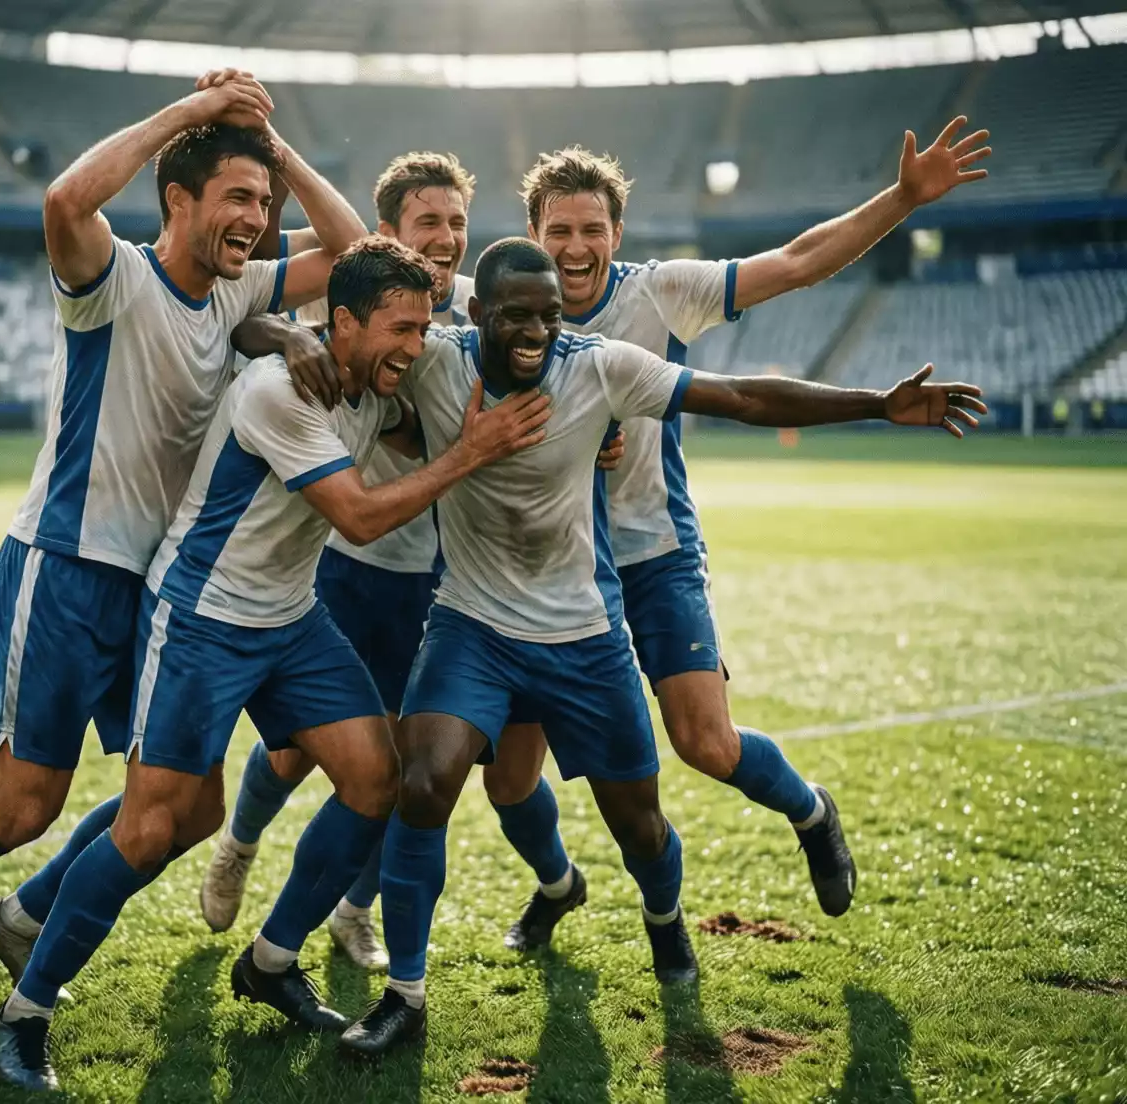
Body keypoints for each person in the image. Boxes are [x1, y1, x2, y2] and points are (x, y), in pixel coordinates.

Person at [336, 237, 986, 1057]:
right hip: (472, 624)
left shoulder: (601, 364)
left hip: (583, 635)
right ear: (476, 315)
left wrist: (874, 404)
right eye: (516, 316)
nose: (537, 330)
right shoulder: (434, 363)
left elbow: (741, 396)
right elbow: (338, 346)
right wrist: (288, 341)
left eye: (550, 313)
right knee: (423, 783)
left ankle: (664, 917)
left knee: (640, 827)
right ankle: (407, 996)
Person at [0, 69, 367, 1035]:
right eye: (236, 197)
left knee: (190, 808)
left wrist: (271, 144)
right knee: (21, 807)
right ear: (179, 199)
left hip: (161, 590)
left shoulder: (244, 286)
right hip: (65, 568)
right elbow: (64, 200)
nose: (255, 216)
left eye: (263, 200)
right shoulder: (112, 278)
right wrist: (195, 112)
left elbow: (355, 255)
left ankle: (24, 916)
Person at [0, 236, 553, 1089]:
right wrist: (467, 452)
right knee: (152, 828)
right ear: (343, 320)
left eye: (424, 326)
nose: (414, 345)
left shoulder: (377, 378)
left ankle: (274, 959)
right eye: (398, 328)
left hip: (291, 620)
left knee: (376, 779)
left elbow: (478, 367)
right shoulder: (280, 390)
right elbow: (358, 519)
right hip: (203, 622)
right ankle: (24, 1013)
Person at [475, 118, 993, 929]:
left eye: (591, 230)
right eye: (558, 231)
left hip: (652, 552)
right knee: (506, 779)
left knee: (707, 745)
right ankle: (556, 885)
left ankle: (812, 812)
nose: (575, 248)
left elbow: (791, 264)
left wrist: (902, 199)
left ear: (617, 232)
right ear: (532, 235)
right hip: (547, 570)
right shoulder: (500, 316)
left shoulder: (660, 291)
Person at [202, 152, 621, 969]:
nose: (449, 238)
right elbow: (242, 319)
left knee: (402, 766)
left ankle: (356, 909)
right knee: (291, 751)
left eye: (459, 222)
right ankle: (240, 844)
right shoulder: (358, 285)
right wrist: (289, 333)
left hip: (432, 573)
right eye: (430, 222)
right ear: (390, 231)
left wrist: (602, 428)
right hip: (344, 559)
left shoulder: (472, 306)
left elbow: (558, 366)